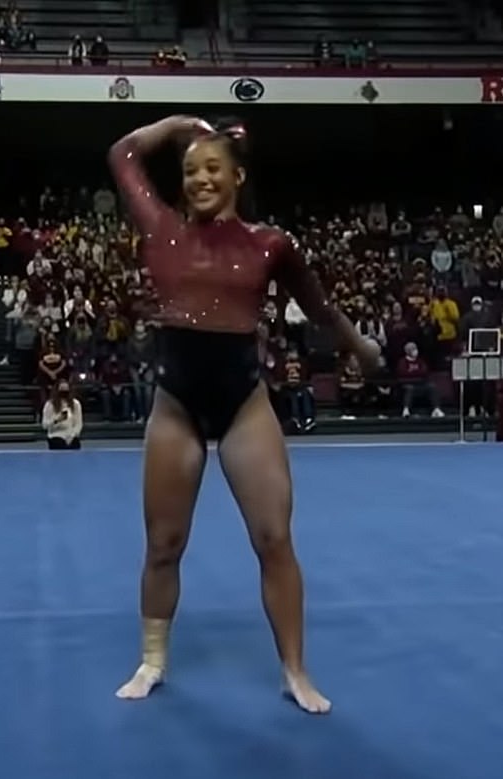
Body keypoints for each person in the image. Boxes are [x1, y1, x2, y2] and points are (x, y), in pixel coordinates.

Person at [107, 114, 379, 714]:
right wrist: (178, 124)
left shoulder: (270, 243)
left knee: (274, 538)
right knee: (164, 544)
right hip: (176, 403)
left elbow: (318, 306)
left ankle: (295, 670)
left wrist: (358, 346)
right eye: (189, 170)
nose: (199, 179)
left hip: (243, 404)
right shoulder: (161, 229)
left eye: (211, 168)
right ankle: (153, 660)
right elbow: (123, 156)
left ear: (237, 176)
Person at [41, 380, 83, 449]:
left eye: (66, 390)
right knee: (59, 444)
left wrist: (73, 435)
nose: (64, 393)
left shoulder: (76, 404)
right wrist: (56, 420)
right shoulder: (50, 404)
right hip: (56, 435)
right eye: (62, 390)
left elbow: (78, 424)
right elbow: (45, 425)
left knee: (75, 444)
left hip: (71, 435)